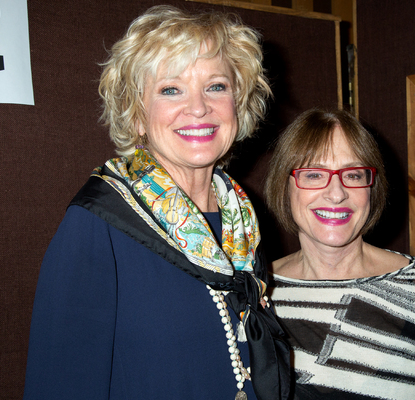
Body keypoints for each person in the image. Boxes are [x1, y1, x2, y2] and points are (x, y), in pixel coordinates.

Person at [23, 6, 290, 400]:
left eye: (216, 86)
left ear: (240, 102)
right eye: (171, 89)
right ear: (136, 115)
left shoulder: (242, 219)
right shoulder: (98, 224)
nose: (198, 107)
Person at [265, 108, 415, 399]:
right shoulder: (256, 291)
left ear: (372, 187)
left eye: (354, 174)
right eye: (313, 174)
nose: (336, 193)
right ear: (285, 187)